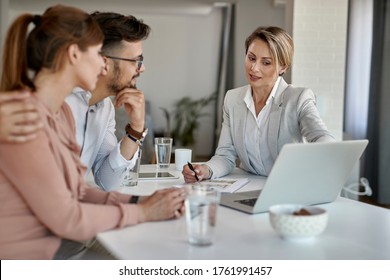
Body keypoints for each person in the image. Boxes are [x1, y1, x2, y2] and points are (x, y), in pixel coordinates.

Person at [0, 5, 185, 260]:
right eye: (98, 54)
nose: (102, 63)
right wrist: (142, 212)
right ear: (75, 54)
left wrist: (138, 203)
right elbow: (67, 217)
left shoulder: (61, 114)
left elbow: (79, 190)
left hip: (62, 238)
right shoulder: (24, 116)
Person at [0, 12, 151, 191]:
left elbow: (107, 181)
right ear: (105, 62)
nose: (142, 69)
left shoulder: (105, 108)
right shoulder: (55, 102)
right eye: (137, 61)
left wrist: (136, 129)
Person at [182, 26, 335, 183]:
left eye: (266, 62)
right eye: (251, 58)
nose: (254, 68)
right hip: (248, 186)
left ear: (283, 67)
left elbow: (323, 138)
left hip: (287, 186)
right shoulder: (232, 99)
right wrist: (205, 170)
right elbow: (225, 155)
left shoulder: (298, 98)